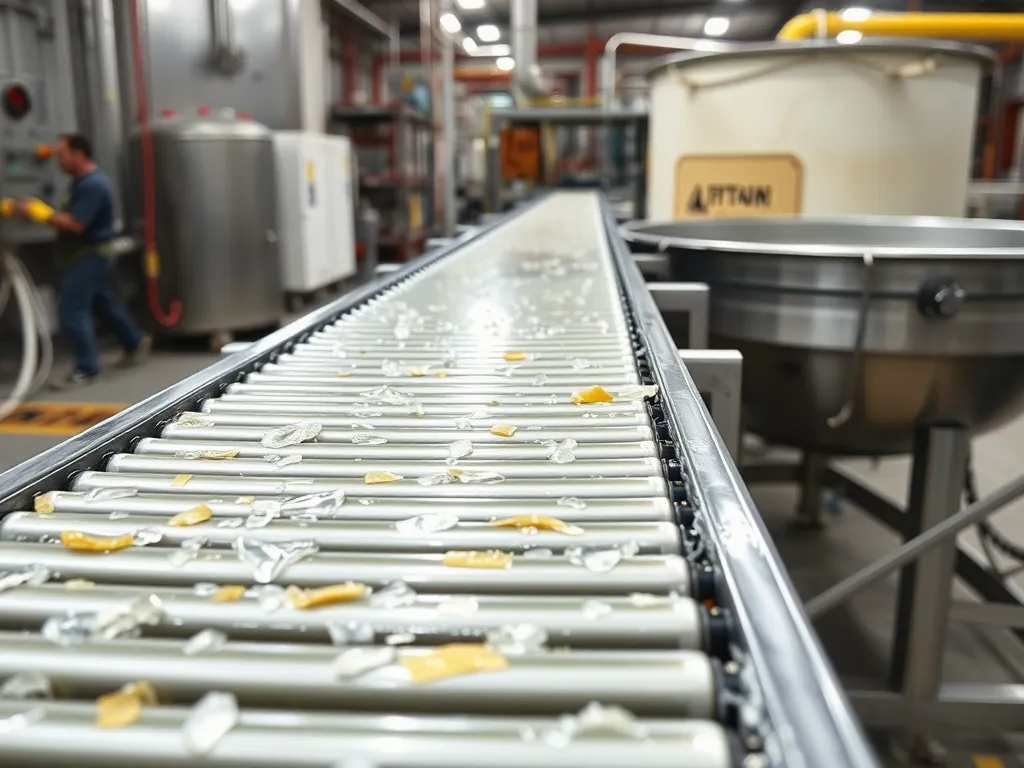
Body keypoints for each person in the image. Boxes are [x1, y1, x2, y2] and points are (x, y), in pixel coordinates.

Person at [12, 133, 151, 389]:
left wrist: (38, 212)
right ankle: (134, 342)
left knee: (72, 310)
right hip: (91, 255)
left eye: (62, 155)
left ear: (79, 154)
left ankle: (87, 369)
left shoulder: (92, 185)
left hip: (88, 256)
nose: (58, 161)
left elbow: (76, 224)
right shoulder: (82, 182)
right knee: (104, 303)